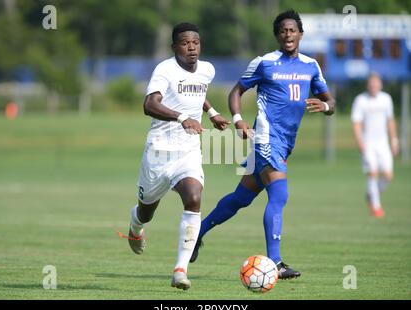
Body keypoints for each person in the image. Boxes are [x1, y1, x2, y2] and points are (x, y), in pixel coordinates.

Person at [189, 10, 336, 279]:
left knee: (240, 199)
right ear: (277, 35)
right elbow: (236, 91)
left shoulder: (311, 66)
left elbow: (331, 103)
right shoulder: (265, 63)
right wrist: (237, 120)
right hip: (266, 139)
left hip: (286, 143)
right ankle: (276, 262)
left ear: (300, 34)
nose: (288, 35)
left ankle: (197, 232)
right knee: (279, 194)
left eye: (292, 30)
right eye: (283, 31)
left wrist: (325, 104)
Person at [119, 22, 230, 290]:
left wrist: (212, 113)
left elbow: (197, 91)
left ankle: (180, 270)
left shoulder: (207, 69)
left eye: (196, 42)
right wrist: (182, 118)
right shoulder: (165, 70)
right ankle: (135, 226)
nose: (191, 47)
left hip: (188, 151)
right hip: (158, 152)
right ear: (174, 47)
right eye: (184, 43)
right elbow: (149, 105)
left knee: (194, 197)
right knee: (146, 211)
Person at [351, 73, 399, 218]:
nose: (373, 86)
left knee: (388, 176)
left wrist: (394, 140)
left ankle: (372, 194)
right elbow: (357, 123)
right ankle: (376, 207)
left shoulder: (386, 99)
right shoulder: (361, 100)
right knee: (372, 172)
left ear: (380, 84)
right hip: (368, 143)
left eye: (376, 83)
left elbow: (390, 121)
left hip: (382, 143)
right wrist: (361, 143)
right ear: (368, 85)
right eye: (371, 83)